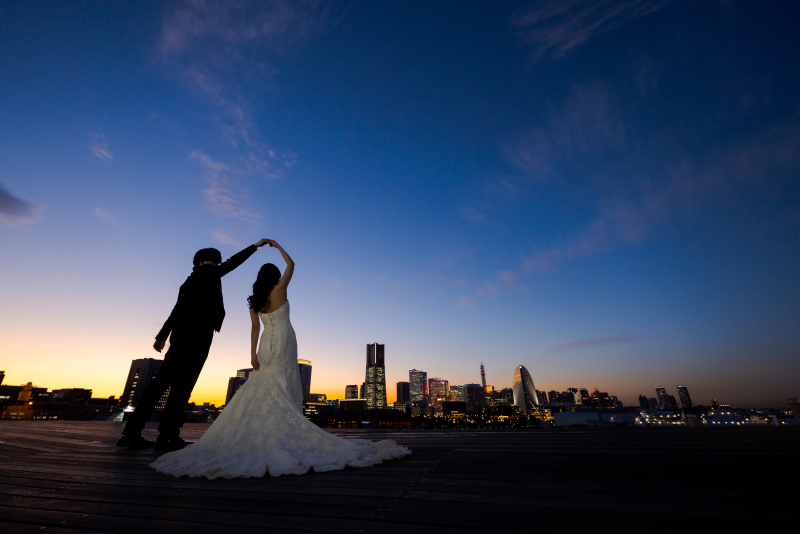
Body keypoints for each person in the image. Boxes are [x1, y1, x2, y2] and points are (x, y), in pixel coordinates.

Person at [150, 239, 410, 478]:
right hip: (285, 339)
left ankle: (264, 429)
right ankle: (286, 426)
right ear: (274, 277)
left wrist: (252, 354)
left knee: (266, 380)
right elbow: (292, 264)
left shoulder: (255, 301)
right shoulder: (281, 288)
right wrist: (276, 245)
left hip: (264, 343)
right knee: (285, 380)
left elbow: (255, 329)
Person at [117, 239, 272, 450]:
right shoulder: (209, 272)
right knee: (182, 387)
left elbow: (176, 310)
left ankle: (132, 433)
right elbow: (232, 263)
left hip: (180, 337)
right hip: (197, 337)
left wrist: (162, 336)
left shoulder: (188, 282)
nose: (217, 265)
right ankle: (168, 436)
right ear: (206, 262)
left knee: (160, 384)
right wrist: (255, 247)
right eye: (215, 262)